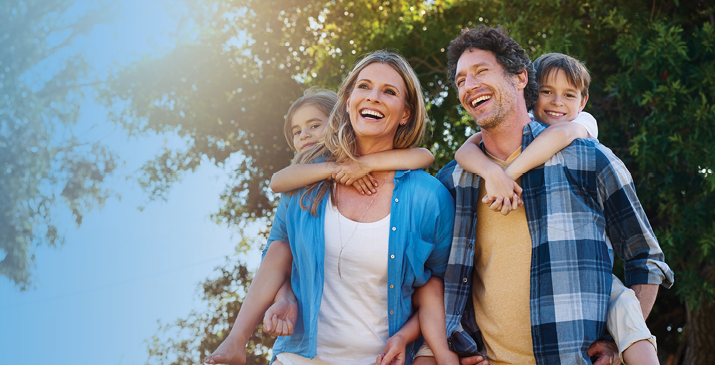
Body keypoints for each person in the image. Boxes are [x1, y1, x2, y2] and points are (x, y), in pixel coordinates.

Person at [423, 26, 674, 365]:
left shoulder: (588, 159)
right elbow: (436, 281)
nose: (469, 85)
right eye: (461, 80)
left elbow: (645, 257)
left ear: (521, 77)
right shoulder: (453, 181)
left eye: (481, 71)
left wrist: (619, 341)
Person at [211, 50, 455, 365]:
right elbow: (278, 254)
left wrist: (418, 349)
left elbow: (443, 288)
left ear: (405, 113)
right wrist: (240, 336)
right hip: (296, 357)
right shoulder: (304, 186)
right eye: (364, 86)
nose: (374, 97)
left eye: (389, 91)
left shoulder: (429, 198)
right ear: (348, 99)